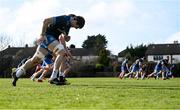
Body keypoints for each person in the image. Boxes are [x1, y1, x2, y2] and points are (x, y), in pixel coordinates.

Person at [12, 14, 85, 86]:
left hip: (48, 42)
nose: (75, 28)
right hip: (47, 38)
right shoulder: (64, 18)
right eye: (76, 26)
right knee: (62, 52)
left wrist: (66, 38)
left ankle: (17, 73)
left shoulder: (68, 26)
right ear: (75, 19)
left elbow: (62, 39)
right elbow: (46, 21)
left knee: (35, 60)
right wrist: (42, 35)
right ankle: (54, 77)